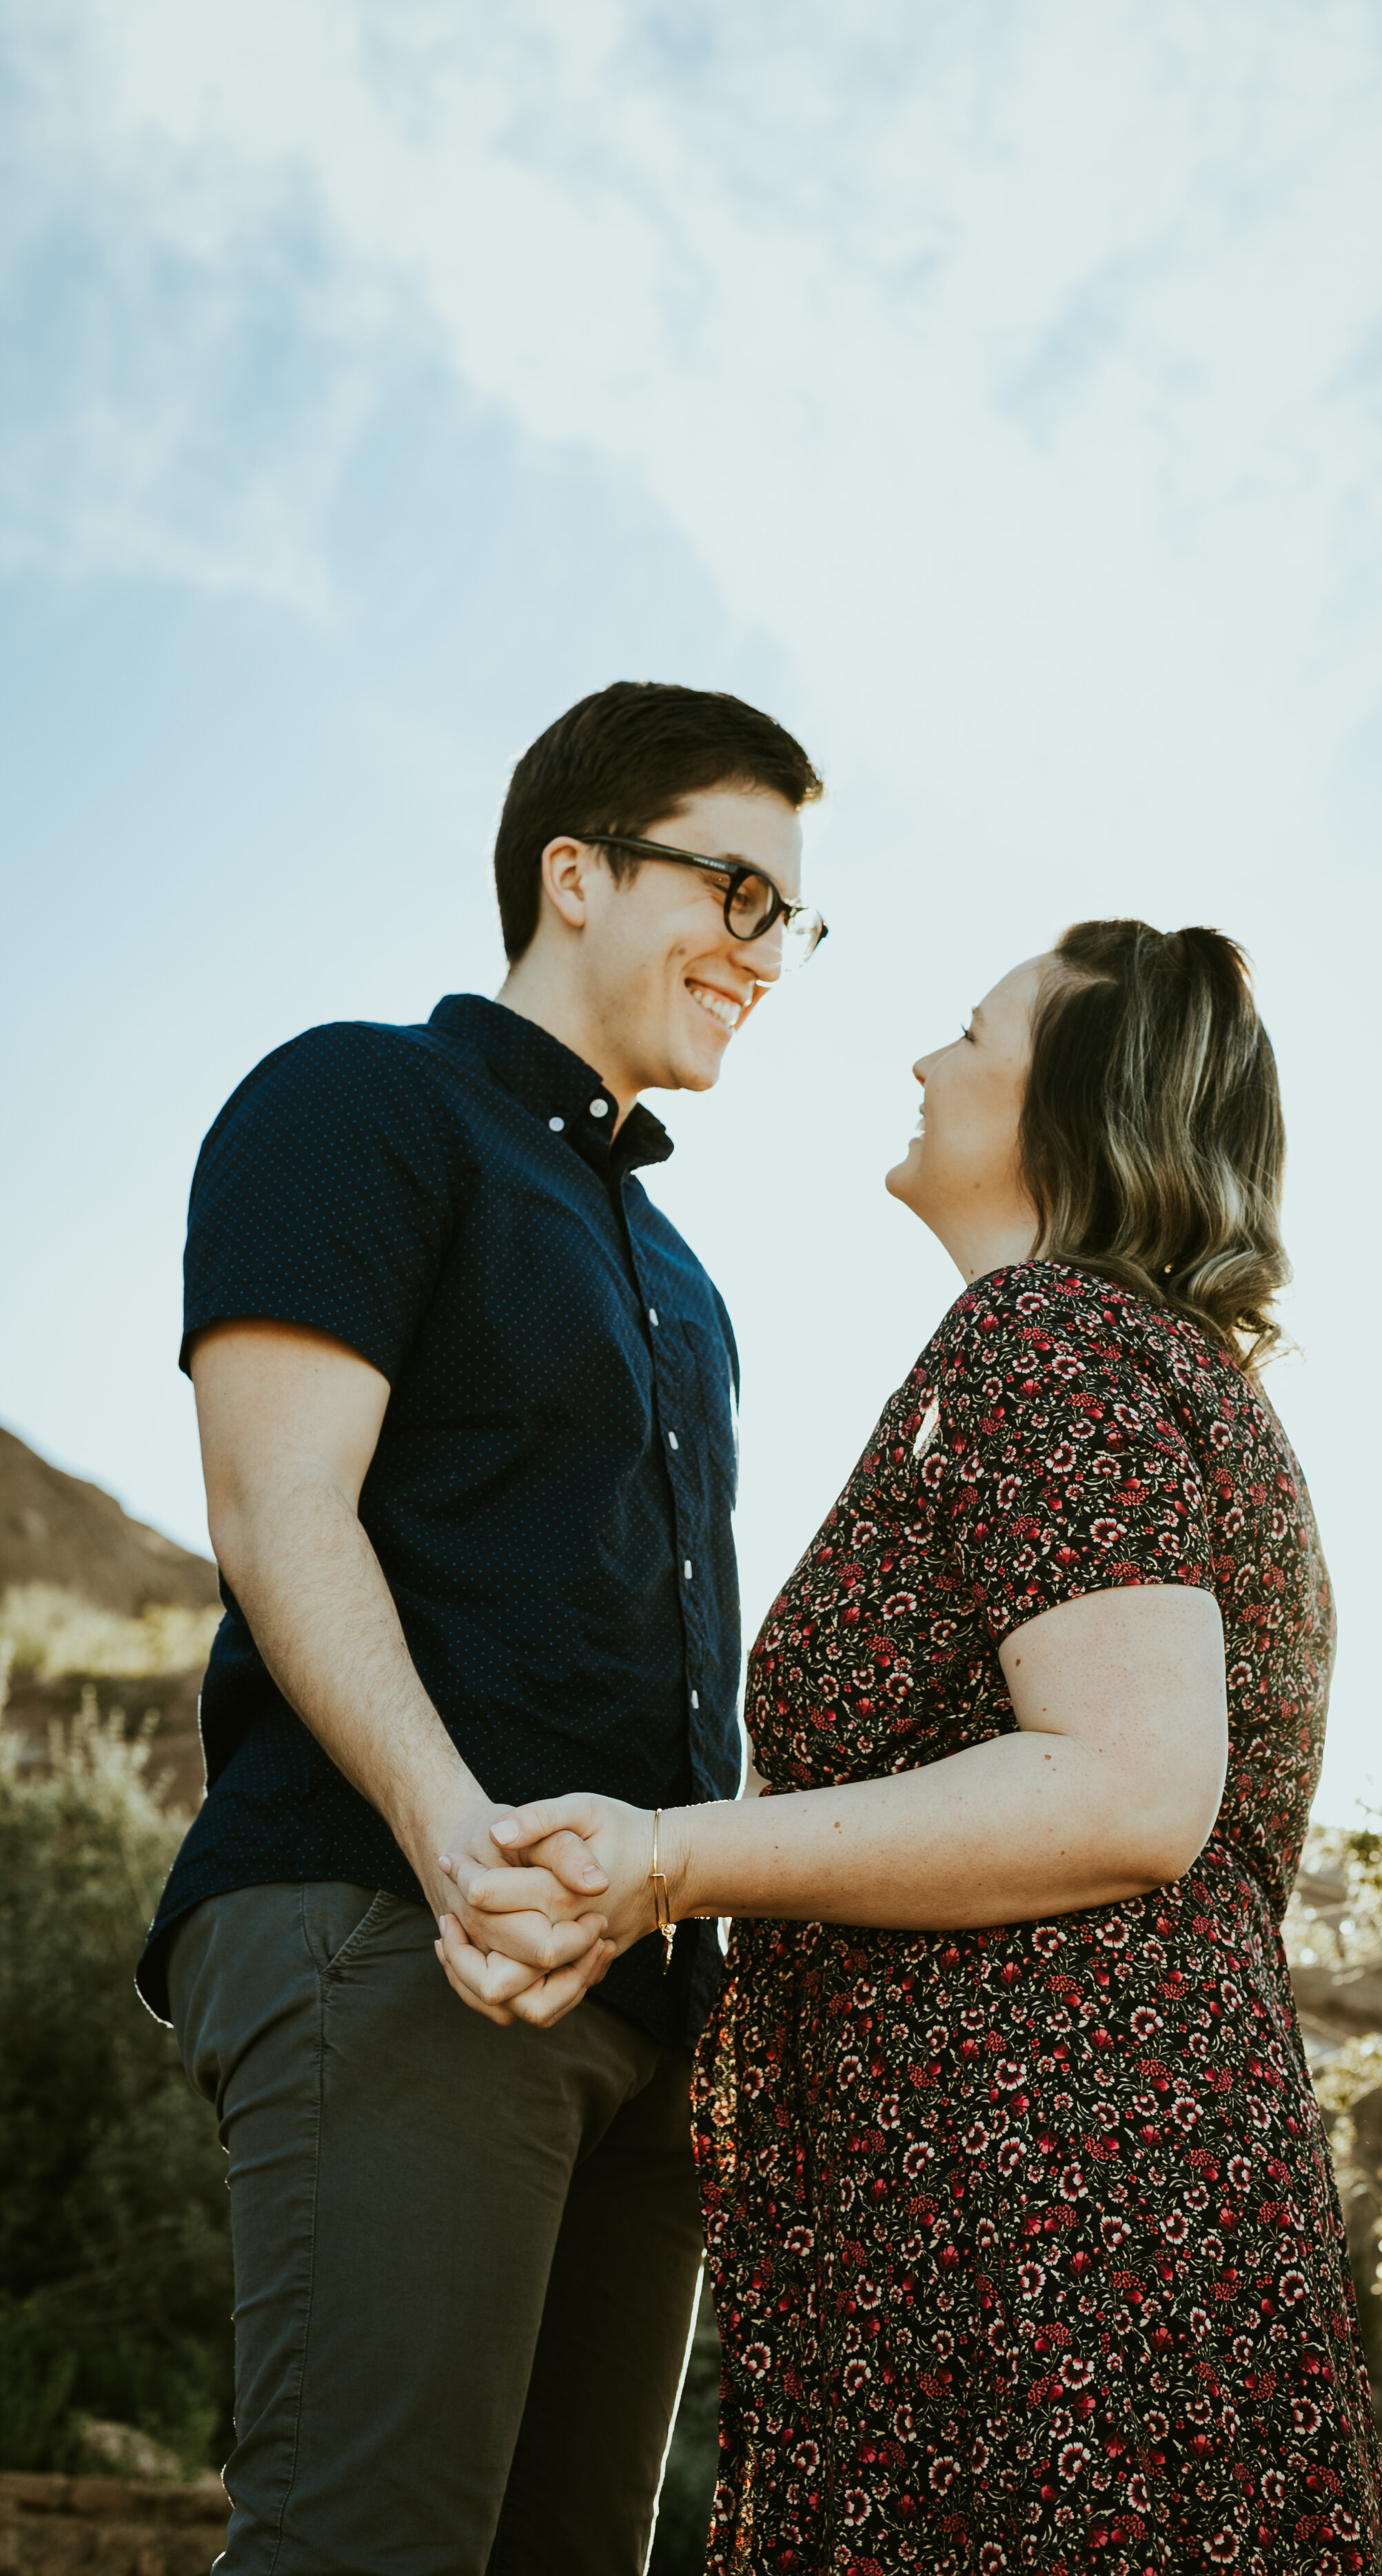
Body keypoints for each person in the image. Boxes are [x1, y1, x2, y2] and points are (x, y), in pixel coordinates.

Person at [443, 919, 1382, 2575]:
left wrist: (665, 1860)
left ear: (1071, 1105)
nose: (921, 1062)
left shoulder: (1046, 1340)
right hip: (1113, 2180)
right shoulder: (1167, 1372)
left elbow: (1126, 1788)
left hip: (1031, 2201)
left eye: (971, 1032)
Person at [137, 680, 825, 2576]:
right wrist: (455, 1837)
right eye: (735, 891)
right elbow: (280, 1506)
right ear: (577, 872)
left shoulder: (685, 1281)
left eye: (795, 917)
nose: (766, 950)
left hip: (636, 1996)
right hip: (392, 1919)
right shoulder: (357, 1098)